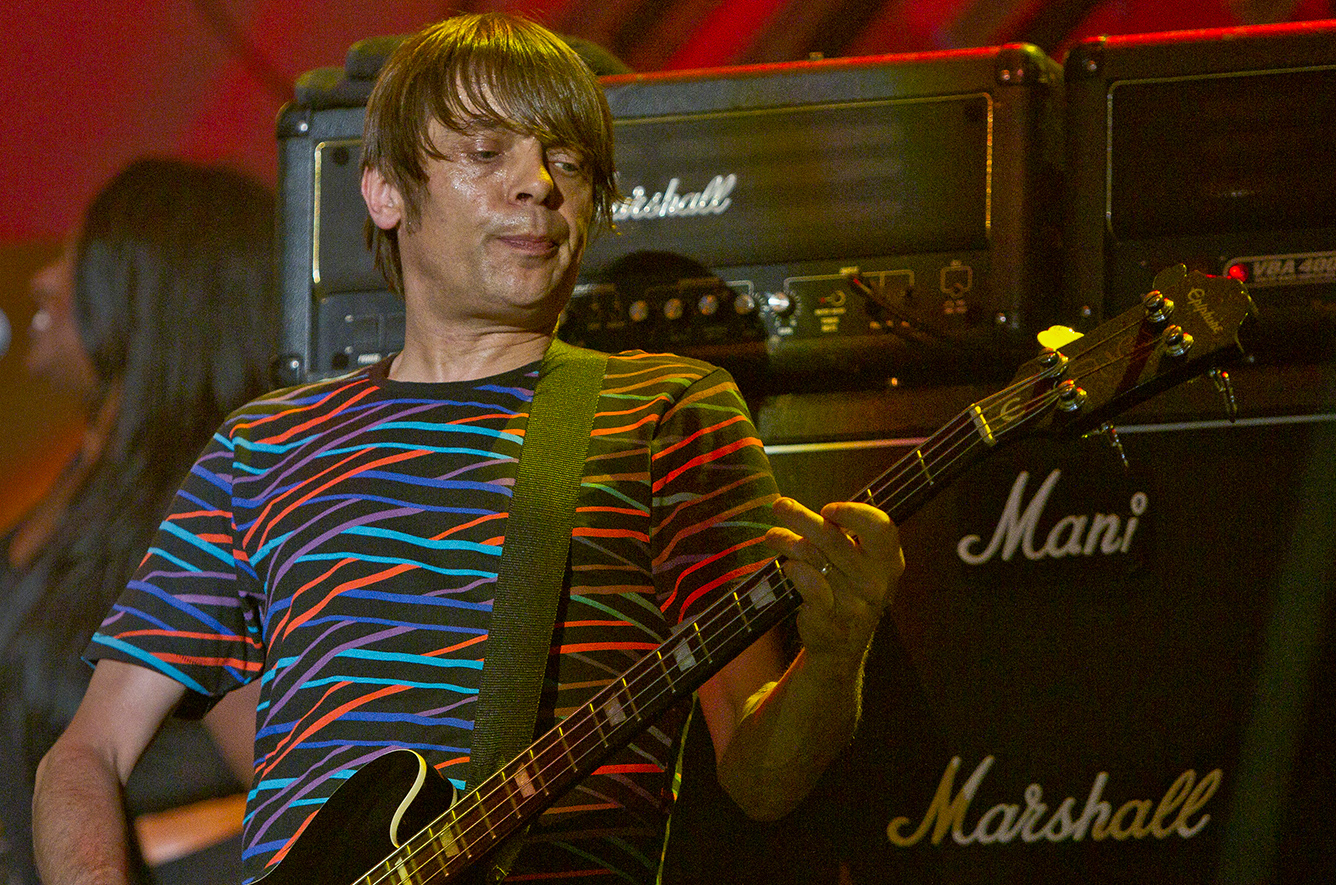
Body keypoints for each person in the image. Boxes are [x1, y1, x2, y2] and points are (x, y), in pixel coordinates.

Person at [32, 13, 904, 885]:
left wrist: (835, 656)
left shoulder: (667, 412)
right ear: (385, 192)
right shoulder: (262, 444)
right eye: (487, 152)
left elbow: (760, 776)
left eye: (568, 163)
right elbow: (85, 754)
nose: (538, 184)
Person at [0, 159, 280, 885]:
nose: (43, 280)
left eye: (78, 256)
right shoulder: (90, 484)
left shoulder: (199, 509)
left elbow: (290, 788)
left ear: (155, 290)